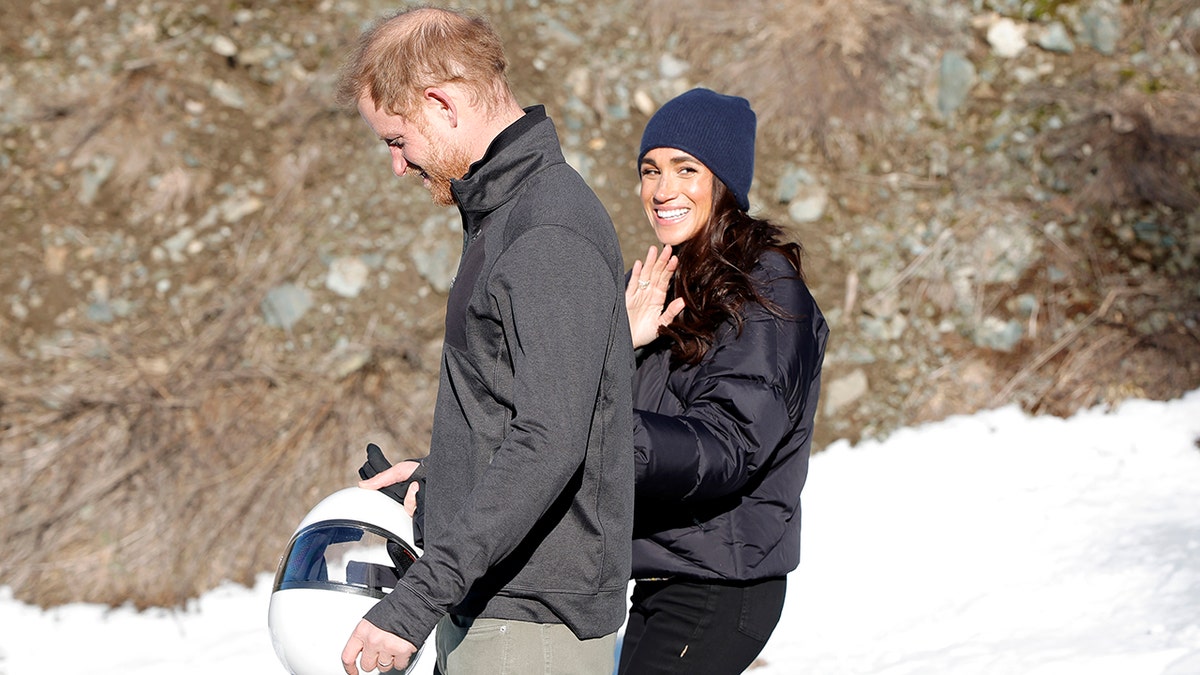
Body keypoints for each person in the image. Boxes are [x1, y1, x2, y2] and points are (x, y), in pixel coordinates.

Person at [332, 8, 635, 675]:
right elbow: (523, 412)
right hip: (501, 609)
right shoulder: (510, 215)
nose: (396, 164)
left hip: (528, 622)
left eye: (396, 138)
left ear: (439, 103)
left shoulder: (545, 230)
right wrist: (442, 476)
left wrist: (413, 604)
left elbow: (551, 441)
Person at [617, 88, 829, 675]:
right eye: (650, 170)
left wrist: (602, 433)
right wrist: (621, 348)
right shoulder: (666, 287)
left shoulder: (765, 292)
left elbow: (728, 443)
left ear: (725, 183)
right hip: (666, 576)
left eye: (687, 169)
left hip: (719, 583)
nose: (663, 190)